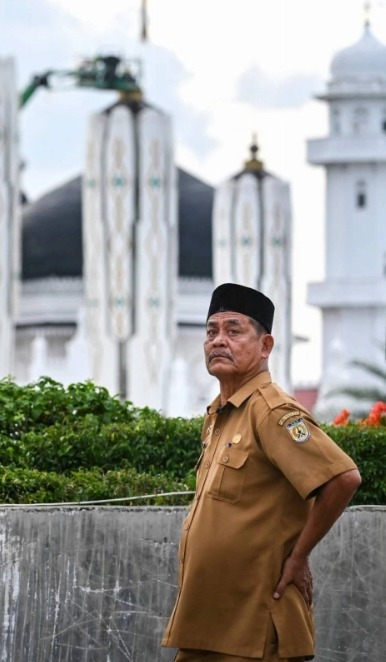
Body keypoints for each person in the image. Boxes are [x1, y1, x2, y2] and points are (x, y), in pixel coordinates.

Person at [162, 283, 362, 662]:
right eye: (211, 332)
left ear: (265, 346)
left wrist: (299, 556)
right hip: (208, 625)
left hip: (253, 630)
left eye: (233, 331)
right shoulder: (221, 415)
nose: (218, 341)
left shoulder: (271, 411)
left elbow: (343, 478)